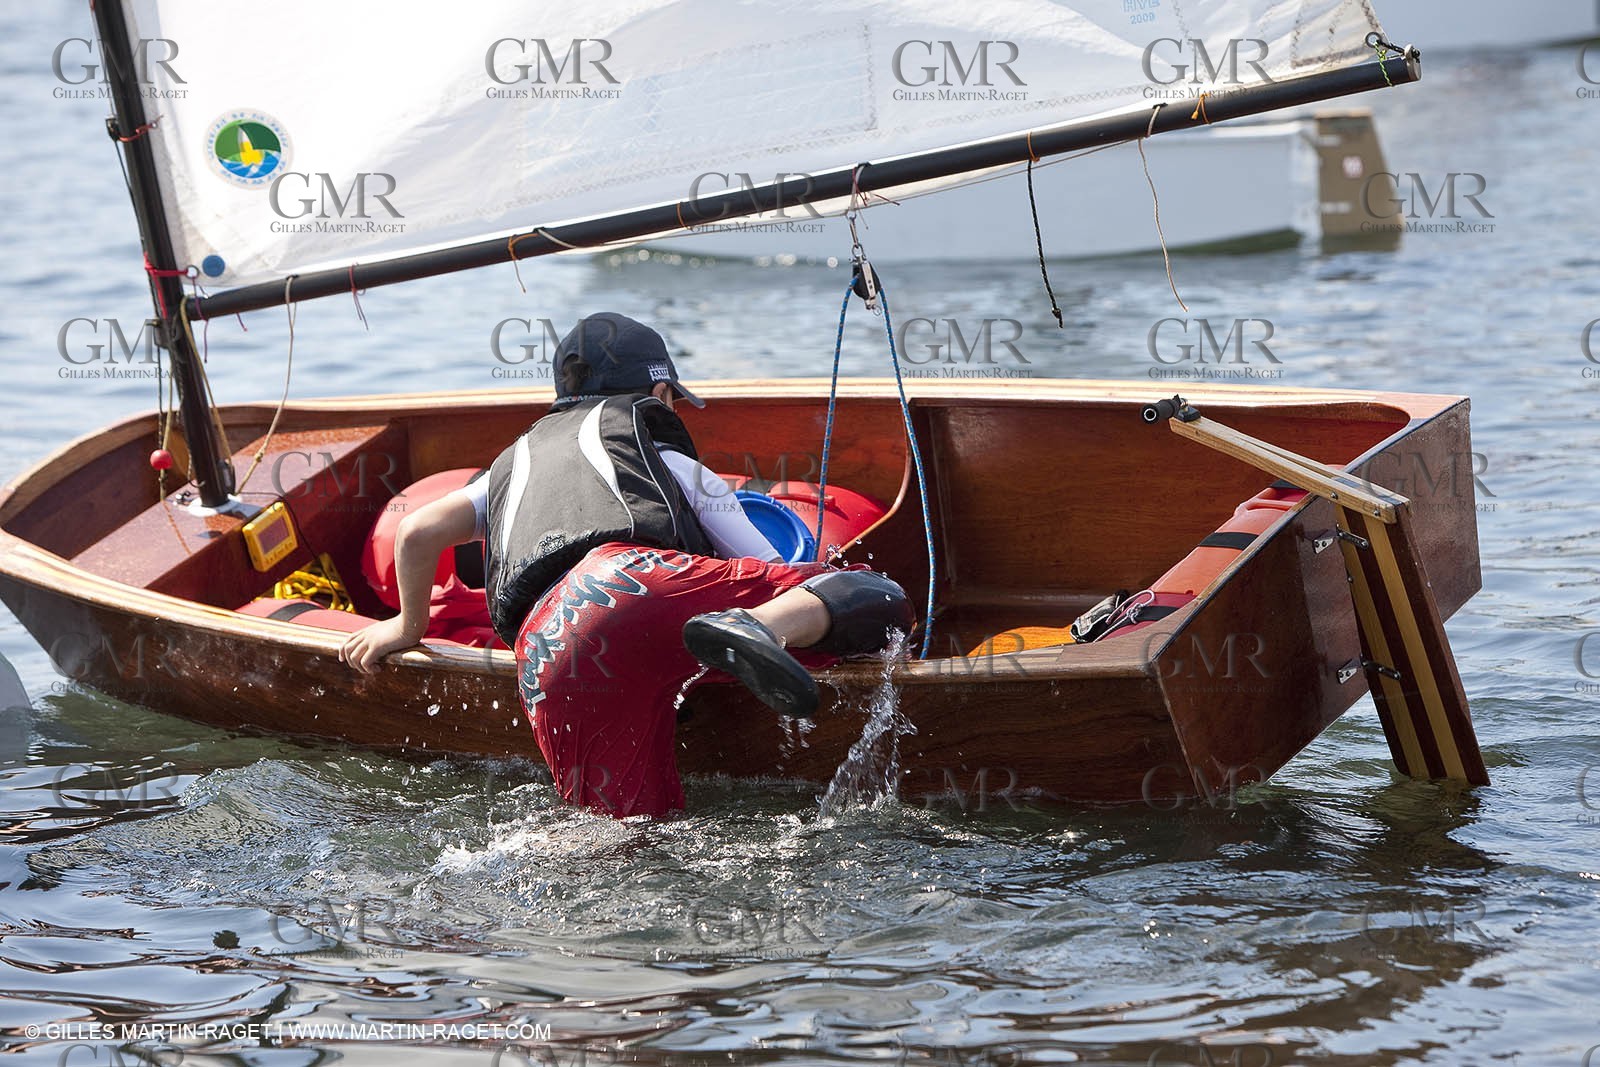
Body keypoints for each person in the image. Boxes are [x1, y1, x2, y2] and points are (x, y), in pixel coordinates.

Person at [339, 312, 913, 817]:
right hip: (637, 583)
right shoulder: (670, 460)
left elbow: (416, 531)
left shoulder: (508, 469)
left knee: (626, 842)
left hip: (547, 646)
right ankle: (753, 628)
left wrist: (407, 626)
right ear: (660, 393)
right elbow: (768, 568)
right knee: (875, 594)